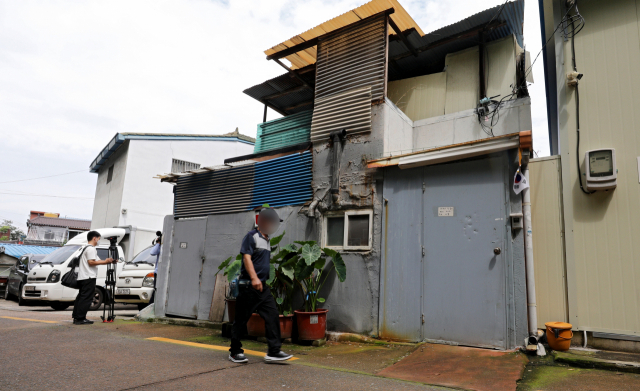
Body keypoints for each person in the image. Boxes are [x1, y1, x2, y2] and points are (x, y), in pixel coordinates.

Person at [229, 208, 293, 363]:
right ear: (263, 221)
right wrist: (254, 278)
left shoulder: (267, 240)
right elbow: (247, 258)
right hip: (249, 285)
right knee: (241, 319)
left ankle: (274, 351)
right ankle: (235, 351)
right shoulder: (252, 237)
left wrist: (262, 281)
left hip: (262, 287)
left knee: (272, 315)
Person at [72, 230, 116, 325]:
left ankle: (77, 317)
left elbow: (97, 261)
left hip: (83, 277)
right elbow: (91, 262)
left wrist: (108, 261)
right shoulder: (91, 248)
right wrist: (105, 262)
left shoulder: (84, 247)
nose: (98, 241)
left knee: (81, 297)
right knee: (86, 298)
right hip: (88, 276)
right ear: (94, 238)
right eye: (99, 239)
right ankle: (80, 318)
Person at [149, 231, 161, 304]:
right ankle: (150, 306)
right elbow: (152, 252)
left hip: (164, 272)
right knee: (156, 290)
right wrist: (158, 243)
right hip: (158, 272)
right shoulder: (160, 246)